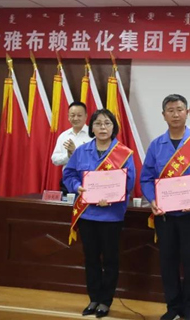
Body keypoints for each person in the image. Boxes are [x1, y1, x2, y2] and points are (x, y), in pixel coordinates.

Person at [141, 94, 190, 320]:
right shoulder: (156, 146)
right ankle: (173, 307)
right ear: (163, 115)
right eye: (170, 110)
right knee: (168, 263)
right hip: (165, 216)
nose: (175, 114)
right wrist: (152, 199)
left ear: (187, 113)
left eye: (179, 110)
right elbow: (146, 178)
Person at [63, 109, 136, 319]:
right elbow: (68, 174)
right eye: (98, 123)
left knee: (110, 260)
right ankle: (93, 298)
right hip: (87, 214)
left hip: (111, 215)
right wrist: (76, 187)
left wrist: (112, 197)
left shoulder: (124, 153)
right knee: (91, 259)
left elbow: (129, 182)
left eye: (107, 123)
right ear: (92, 128)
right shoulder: (82, 151)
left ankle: (105, 301)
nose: (103, 127)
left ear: (114, 127)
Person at [52, 101, 92, 194]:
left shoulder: (93, 135)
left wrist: (75, 153)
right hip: (68, 181)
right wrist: (68, 156)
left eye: (79, 115)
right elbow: (55, 160)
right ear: (68, 117)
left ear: (86, 116)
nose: (75, 118)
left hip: (89, 181)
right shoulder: (64, 136)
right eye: (72, 115)